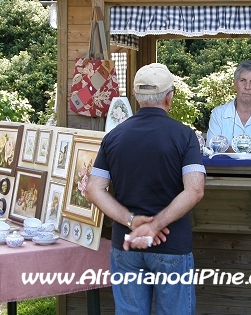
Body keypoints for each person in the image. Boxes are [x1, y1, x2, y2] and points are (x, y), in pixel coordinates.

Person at [86, 63, 206, 315]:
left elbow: (94, 190)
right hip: (171, 246)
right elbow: (194, 190)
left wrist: (131, 221)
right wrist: (154, 226)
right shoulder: (185, 136)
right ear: (169, 97)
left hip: (126, 244)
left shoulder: (113, 137)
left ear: (136, 97)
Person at [206, 60, 251, 151]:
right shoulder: (219, 113)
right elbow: (211, 148)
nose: (247, 87)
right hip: (225, 166)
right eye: (243, 80)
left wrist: (226, 149)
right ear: (235, 83)